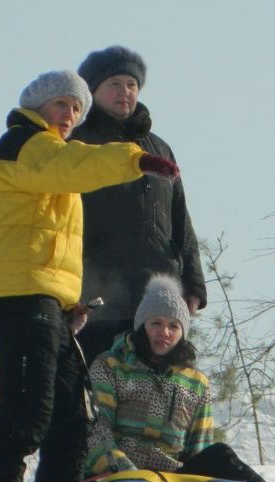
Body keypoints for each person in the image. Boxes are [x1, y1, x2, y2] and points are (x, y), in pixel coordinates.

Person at [0, 69, 181, 482]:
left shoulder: (47, 157)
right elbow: (76, 166)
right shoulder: (23, 143)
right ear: (37, 106)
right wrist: (136, 158)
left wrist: (68, 301)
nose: (70, 116)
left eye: (77, 109)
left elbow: (46, 238)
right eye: (62, 105)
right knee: (27, 407)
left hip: (44, 298)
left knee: (72, 414)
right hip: (17, 293)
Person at [85, 275, 275, 482]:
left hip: (172, 481)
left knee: (219, 455)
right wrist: (132, 477)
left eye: (173, 326)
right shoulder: (110, 366)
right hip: (120, 477)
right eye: (156, 323)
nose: (164, 332)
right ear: (142, 326)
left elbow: (198, 449)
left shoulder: (196, 382)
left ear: (182, 332)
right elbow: (97, 432)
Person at [72, 45, 207, 364]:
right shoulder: (76, 145)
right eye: (114, 85)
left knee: (158, 399)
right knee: (99, 400)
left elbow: (181, 221)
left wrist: (193, 286)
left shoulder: (159, 149)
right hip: (96, 301)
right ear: (93, 91)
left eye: (131, 85)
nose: (125, 93)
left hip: (157, 303)